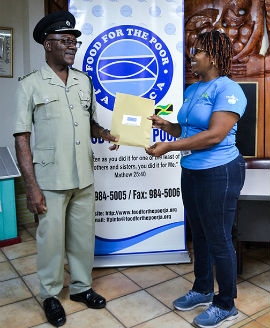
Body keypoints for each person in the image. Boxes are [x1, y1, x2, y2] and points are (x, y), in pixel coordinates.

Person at [13, 11, 118, 328]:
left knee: (84, 240)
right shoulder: (30, 85)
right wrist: (31, 187)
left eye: (74, 42)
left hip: (83, 177)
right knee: (50, 243)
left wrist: (109, 134)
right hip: (50, 180)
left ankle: (82, 289)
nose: (72, 46)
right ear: (48, 45)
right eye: (65, 41)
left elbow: (89, 124)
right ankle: (49, 295)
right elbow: (22, 138)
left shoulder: (83, 81)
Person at [146, 30, 246, 328]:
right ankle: (202, 289)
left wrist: (169, 147)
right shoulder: (192, 90)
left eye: (197, 52)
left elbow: (215, 135)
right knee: (199, 234)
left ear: (213, 57)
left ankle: (225, 303)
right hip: (191, 170)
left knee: (219, 237)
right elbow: (187, 131)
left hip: (220, 171)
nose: (192, 57)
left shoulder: (228, 90)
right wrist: (167, 126)